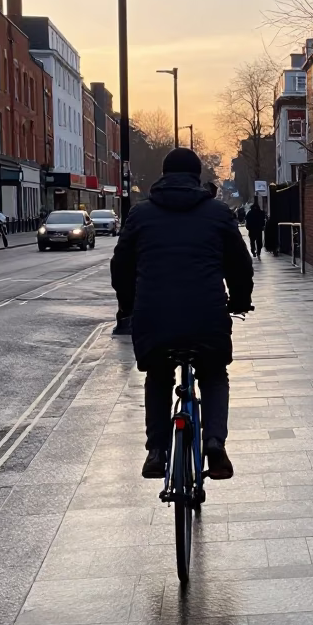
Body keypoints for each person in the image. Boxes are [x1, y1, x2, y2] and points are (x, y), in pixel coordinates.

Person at [111, 147, 253, 480]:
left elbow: (121, 265)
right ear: (196, 176)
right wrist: (241, 300)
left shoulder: (140, 214)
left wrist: (128, 304)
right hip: (207, 316)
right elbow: (240, 264)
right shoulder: (218, 212)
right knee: (214, 374)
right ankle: (215, 444)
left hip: (153, 317)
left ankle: (157, 451)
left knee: (158, 376)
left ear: (163, 175)